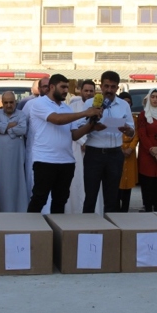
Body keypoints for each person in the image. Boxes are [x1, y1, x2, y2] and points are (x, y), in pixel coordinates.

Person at [27, 74, 102, 213]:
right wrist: (85, 112)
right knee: (39, 198)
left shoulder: (67, 109)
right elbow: (56, 119)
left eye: (67, 87)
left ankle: (57, 233)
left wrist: (91, 124)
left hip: (66, 161)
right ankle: (31, 232)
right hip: (45, 160)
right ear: (51, 87)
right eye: (62, 87)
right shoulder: (39, 103)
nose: (65, 90)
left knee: (60, 200)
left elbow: (74, 135)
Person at [79, 72, 135, 214]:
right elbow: (79, 127)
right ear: (101, 86)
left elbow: (132, 131)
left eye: (113, 87)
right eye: (106, 86)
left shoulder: (123, 105)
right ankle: (88, 232)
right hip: (94, 154)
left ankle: (110, 232)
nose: (109, 90)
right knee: (90, 196)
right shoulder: (89, 103)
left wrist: (127, 130)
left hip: (115, 154)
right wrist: (92, 126)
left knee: (112, 198)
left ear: (117, 88)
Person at [0, 91, 29, 213]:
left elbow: (23, 129)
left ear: (15, 102)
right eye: (6, 103)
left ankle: (18, 209)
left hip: (16, 155)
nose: (9, 105)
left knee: (17, 179)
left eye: (11, 102)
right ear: (2, 103)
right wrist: (11, 126)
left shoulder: (21, 114)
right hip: (0, 155)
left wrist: (5, 129)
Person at [66, 79, 99, 214]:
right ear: (80, 90)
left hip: (94, 147)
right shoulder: (73, 107)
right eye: (86, 90)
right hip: (77, 148)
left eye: (91, 91)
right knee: (76, 180)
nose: (88, 93)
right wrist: (82, 141)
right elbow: (71, 127)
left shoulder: (99, 108)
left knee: (93, 182)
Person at [118, 93, 139, 212]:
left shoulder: (134, 118)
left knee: (128, 182)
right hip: (118, 151)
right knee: (117, 180)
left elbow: (136, 135)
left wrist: (131, 148)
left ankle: (125, 209)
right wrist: (121, 148)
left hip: (130, 154)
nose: (127, 104)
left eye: (129, 102)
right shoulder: (115, 117)